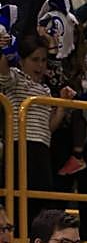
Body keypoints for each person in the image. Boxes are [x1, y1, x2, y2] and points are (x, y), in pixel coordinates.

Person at [0, 35, 71, 204]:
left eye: (44, 60)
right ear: (22, 61)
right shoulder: (14, 78)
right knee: (18, 200)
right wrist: (3, 50)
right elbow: (2, 71)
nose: (40, 65)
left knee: (40, 199)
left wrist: (62, 104)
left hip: (42, 148)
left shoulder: (45, 90)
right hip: (19, 145)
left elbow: (49, 127)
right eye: (35, 60)